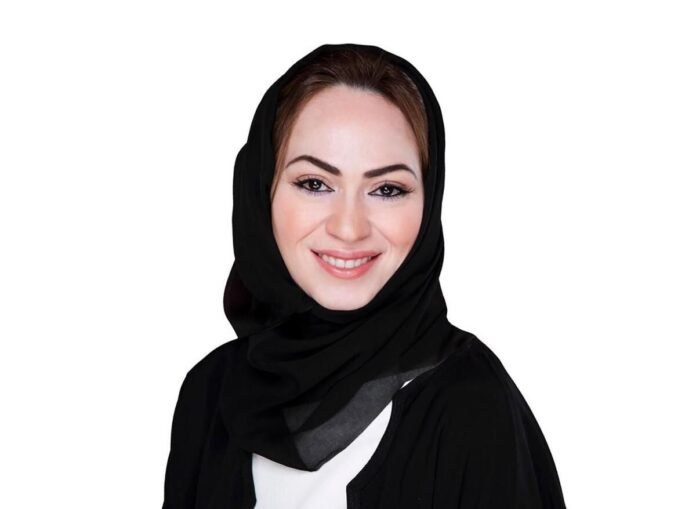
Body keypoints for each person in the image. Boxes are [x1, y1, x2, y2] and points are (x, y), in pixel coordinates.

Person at [161, 42, 567, 509]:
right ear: (261, 190)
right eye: (315, 184)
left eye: (387, 189)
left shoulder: (472, 407)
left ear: (429, 202)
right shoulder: (211, 392)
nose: (349, 228)